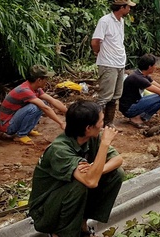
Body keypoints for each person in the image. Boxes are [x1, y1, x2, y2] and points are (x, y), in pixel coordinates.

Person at [29, 100, 125, 237]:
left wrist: (95, 169)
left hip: (64, 200)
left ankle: (82, 224)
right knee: (80, 185)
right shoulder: (59, 149)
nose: (103, 125)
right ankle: (60, 233)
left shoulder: (90, 138)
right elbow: (91, 181)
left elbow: (117, 160)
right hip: (45, 212)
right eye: (101, 121)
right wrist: (105, 143)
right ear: (88, 128)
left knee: (115, 174)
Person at [91, 0, 135, 125]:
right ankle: (96, 123)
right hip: (108, 63)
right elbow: (95, 41)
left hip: (119, 63)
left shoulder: (120, 21)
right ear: (122, 7)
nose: (129, 9)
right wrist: (98, 52)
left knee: (115, 96)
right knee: (104, 96)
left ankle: (108, 123)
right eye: (128, 7)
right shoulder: (105, 21)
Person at [0, 64, 67, 144]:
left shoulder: (36, 88)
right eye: (46, 78)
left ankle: (27, 130)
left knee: (43, 102)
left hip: (14, 120)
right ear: (39, 80)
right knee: (34, 107)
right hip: (8, 126)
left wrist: (68, 112)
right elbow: (45, 108)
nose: (47, 81)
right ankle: (21, 135)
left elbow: (52, 100)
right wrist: (61, 123)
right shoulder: (24, 90)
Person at [119, 54, 160, 128]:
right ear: (149, 67)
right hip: (129, 109)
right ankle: (135, 118)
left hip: (133, 103)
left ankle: (141, 116)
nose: (155, 67)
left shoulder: (141, 75)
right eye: (154, 65)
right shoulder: (138, 78)